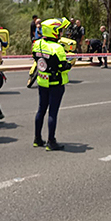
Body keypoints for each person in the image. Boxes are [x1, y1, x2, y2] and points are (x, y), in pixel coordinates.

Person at [32, 18, 72, 151]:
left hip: (42, 81)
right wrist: (70, 63)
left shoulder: (37, 44)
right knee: (52, 113)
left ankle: (37, 139)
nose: (61, 33)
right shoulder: (58, 48)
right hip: (56, 83)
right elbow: (62, 67)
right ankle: (51, 141)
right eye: (59, 30)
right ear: (54, 31)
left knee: (41, 110)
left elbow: (37, 59)